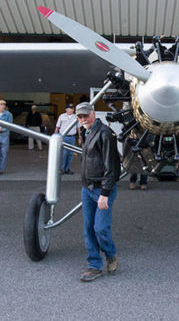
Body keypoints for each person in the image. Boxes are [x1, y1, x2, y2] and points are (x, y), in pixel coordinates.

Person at [75, 102, 121, 282]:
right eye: (80, 117)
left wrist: (105, 192)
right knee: (88, 229)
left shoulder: (105, 133)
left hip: (102, 190)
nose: (83, 119)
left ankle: (110, 254)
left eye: (86, 115)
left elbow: (113, 167)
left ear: (93, 114)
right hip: (87, 189)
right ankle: (94, 265)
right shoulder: (85, 132)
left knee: (100, 228)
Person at [54, 104, 78, 174]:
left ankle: (67, 169)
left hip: (72, 137)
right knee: (64, 153)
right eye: (70, 108)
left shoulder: (76, 117)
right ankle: (62, 169)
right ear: (66, 109)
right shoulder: (62, 116)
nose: (71, 110)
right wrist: (55, 136)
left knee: (70, 154)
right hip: (63, 137)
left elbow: (78, 127)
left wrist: (79, 137)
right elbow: (57, 127)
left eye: (72, 108)